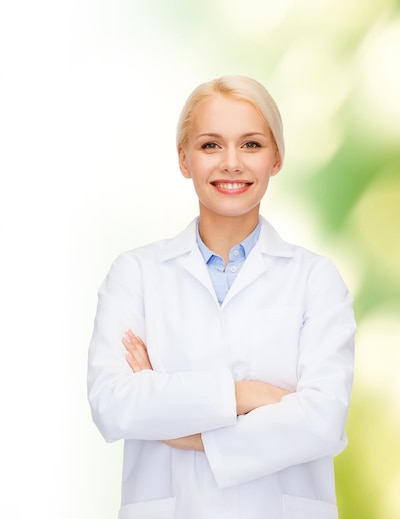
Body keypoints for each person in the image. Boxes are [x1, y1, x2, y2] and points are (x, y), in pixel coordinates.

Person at [87, 75, 356, 519]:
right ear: (183, 159)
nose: (231, 163)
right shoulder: (134, 273)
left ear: (277, 159)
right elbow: (113, 406)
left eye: (251, 144)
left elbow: (324, 422)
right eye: (211, 145)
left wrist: (177, 425)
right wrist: (247, 394)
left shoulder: (316, 280)